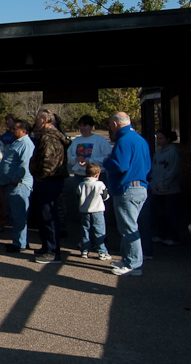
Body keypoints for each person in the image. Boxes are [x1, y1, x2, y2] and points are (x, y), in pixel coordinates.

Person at [104, 111, 151, 276]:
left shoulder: (123, 141)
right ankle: (127, 258)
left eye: (110, 125)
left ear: (115, 124)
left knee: (129, 228)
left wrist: (106, 162)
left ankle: (134, 263)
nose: (110, 128)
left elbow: (120, 165)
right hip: (140, 187)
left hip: (127, 189)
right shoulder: (140, 140)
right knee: (130, 226)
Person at [28, 109, 70, 264]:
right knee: (42, 215)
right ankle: (47, 246)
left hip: (49, 181)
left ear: (45, 120)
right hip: (46, 180)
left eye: (38, 118)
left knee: (49, 216)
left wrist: (40, 175)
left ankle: (53, 251)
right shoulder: (47, 137)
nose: (36, 120)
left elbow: (49, 161)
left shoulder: (50, 138)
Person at [0, 119, 34, 253]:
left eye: (15, 129)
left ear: (24, 131)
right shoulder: (17, 143)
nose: (12, 131)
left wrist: (16, 178)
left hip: (19, 185)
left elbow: (26, 164)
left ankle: (20, 243)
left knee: (19, 215)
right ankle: (20, 240)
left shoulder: (26, 144)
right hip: (10, 184)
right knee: (15, 214)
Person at [148, 130, 182, 246]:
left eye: (161, 138)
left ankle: (173, 236)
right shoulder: (158, 152)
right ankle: (161, 234)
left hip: (170, 189)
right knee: (160, 212)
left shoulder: (172, 152)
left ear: (168, 139)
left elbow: (173, 170)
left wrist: (165, 182)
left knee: (170, 213)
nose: (158, 140)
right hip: (157, 187)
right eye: (157, 138)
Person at [77, 162, 111, 260]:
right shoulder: (100, 184)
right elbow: (105, 196)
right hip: (97, 210)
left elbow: (78, 195)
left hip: (84, 211)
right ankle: (102, 251)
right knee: (99, 230)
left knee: (85, 230)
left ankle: (84, 250)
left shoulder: (81, 184)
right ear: (97, 174)